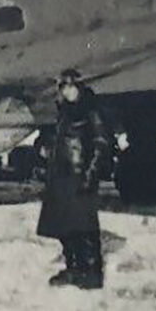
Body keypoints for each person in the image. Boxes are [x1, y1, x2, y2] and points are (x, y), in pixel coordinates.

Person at [36, 69, 112, 289]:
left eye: (71, 87)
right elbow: (64, 140)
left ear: (79, 87)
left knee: (84, 227)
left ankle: (91, 272)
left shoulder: (91, 110)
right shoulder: (65, 111)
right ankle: (73, 268)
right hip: (62, 176)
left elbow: (101, 144)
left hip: (80, 175)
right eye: (64, 88)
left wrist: (91, 175)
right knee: (64, 225)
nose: (68, 92)